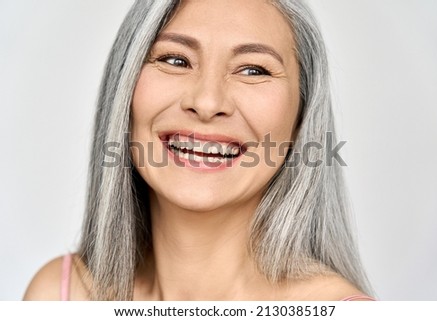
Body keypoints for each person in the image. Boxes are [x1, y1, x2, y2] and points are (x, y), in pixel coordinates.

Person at [23, 0, 374, 301]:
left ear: (302, 117)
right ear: (124, 89)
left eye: (253, 69)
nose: (207, 103)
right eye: (176, 60)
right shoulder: (58, 296)